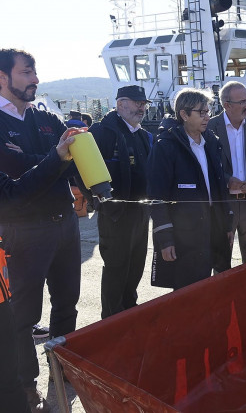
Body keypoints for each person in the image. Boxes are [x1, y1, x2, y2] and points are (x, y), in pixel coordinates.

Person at [0, 48, 82, 412]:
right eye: (26, 73)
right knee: (24, 318)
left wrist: (63, 165)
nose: (35, 79)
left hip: (65, 224)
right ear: (2, 78)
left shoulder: (47, 117)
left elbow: (68, 160)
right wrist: (55, 159)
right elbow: (15, 185)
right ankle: (27, 386)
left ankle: (63, 374)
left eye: (35, 72)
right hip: (23, 232)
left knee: (68, 306)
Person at [147, 88, 232, 289]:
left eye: (208, 112)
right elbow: (157, 196)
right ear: (184, 114)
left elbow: (220, 188)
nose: (207, 117)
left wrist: (227, 224)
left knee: (213, 287)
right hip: (184, 233)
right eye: (201, 112)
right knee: (186, 291)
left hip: (214, 227)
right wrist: (165, 240)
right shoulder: (166, 146)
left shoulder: (211, 142)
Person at [89, 85, 153, 319]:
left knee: (136, 266)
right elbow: (82, 169)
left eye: (143, 103)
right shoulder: (102, 132)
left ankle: (128, 312)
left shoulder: (142, 134)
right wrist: (100, 203)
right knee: (116, 269)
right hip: (116, 214)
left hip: (140, 211)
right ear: (120, 104)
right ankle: (112, 318)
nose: (142, 107)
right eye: (137, 103)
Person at [208, 82, 246, 263]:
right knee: (221, 260)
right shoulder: (209, 127)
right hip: (224, 205)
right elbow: (207, 165)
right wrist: (226, 181)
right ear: (227, 105)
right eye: (242, 102)